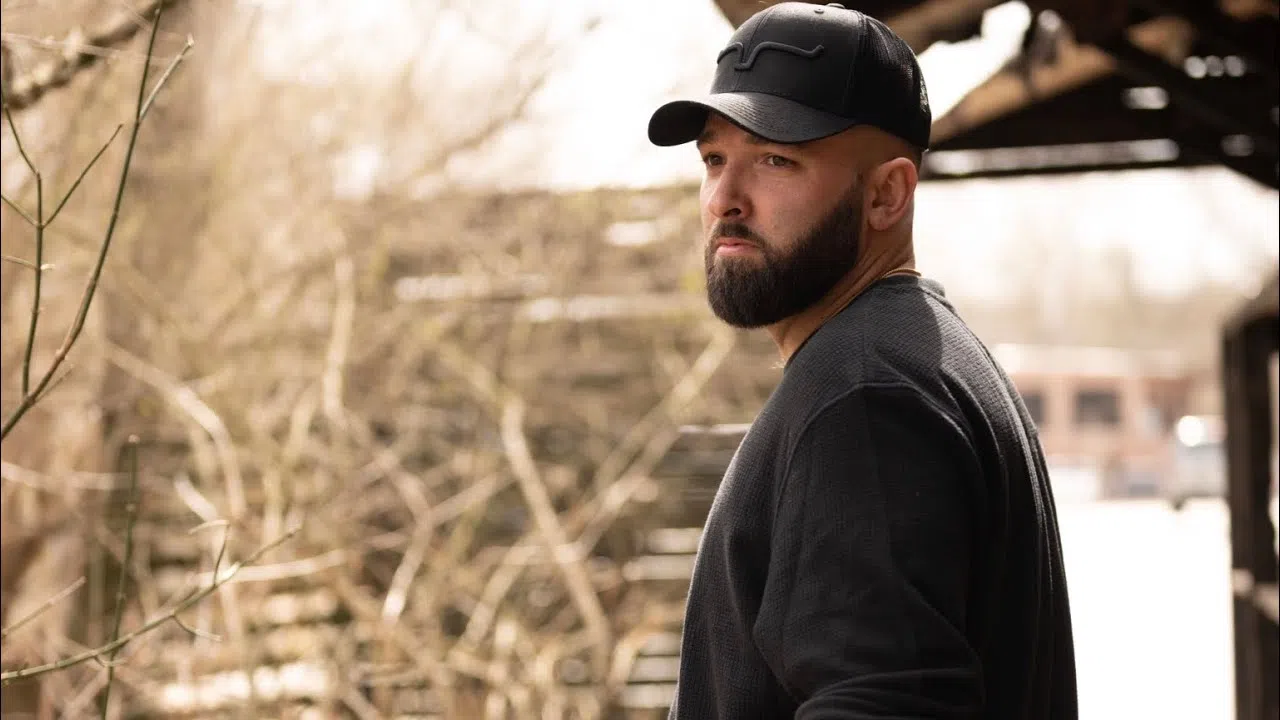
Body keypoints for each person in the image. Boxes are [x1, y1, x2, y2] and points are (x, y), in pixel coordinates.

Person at [646, 3, 1077, 718]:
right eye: (714, 160)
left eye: (776, 160)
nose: (725, 199)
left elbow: (887, 702)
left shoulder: (867, 396)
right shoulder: (910, 361)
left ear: (887, 194)